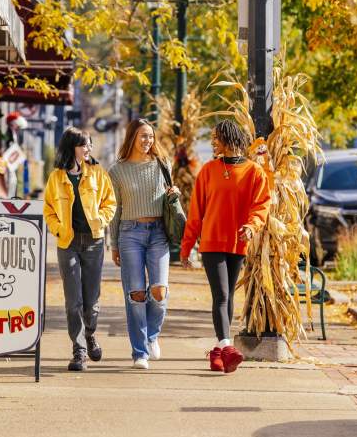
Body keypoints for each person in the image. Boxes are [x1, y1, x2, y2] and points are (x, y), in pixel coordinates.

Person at [180, 120, 271, 373]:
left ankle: (218, 355)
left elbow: (261, 205)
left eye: (217, 137)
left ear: (229, 139)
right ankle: (227, 346)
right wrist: (187, 248)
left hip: (238, 243)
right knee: (220, 295)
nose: (213, 142)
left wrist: (251, 226)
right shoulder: (208, 171)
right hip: (211, 242)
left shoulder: (254, 172)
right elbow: (196, 213)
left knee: (229, 296)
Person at [43, 128, 116, 371]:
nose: (88, 149)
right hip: (68, 243)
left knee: (91, 299)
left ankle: (91, 334)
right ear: (71, 147)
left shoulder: (97, 173)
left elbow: (110, 202)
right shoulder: (56, 177)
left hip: (93, 241)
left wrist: (101, 220)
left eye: (90, 145)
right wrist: (57, 229)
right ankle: (79, 350)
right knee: (72, 300)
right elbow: (48, 209)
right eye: (84, 145)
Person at [109, 118, 180, 369]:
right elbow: (114, 209)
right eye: (142, 136)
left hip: (158, 232)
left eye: (150, 136)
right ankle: (140, 352)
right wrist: (114, 244)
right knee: (136, 293)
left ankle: (151, 336)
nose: (147, 140)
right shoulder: (117, 170)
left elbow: (169, 199)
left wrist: (174, 196)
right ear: (132, 138)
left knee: (159, 290)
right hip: (130, 233)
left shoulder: (162, 164)